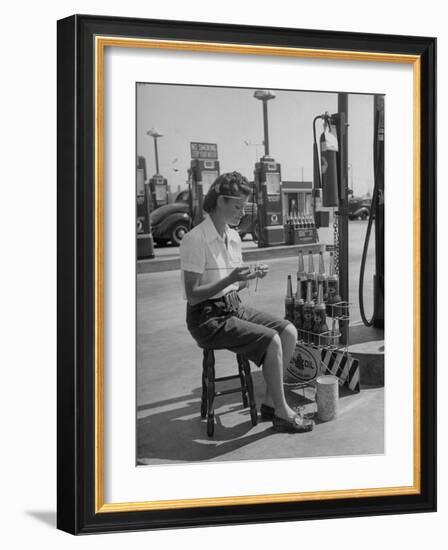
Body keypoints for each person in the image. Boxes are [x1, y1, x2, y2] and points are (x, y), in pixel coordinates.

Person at [180, 171, 314, 433]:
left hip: (232, 307)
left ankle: (269, 404)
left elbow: (234, 283)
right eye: (238, 206)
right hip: (207, 318)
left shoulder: (233, 237)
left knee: (288, 331)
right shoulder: (195, 239)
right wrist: (231, 277)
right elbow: (194, 294)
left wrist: (249, 276)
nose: (243, 213)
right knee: (272, 339)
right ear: (220, 202)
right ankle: (283, 411)